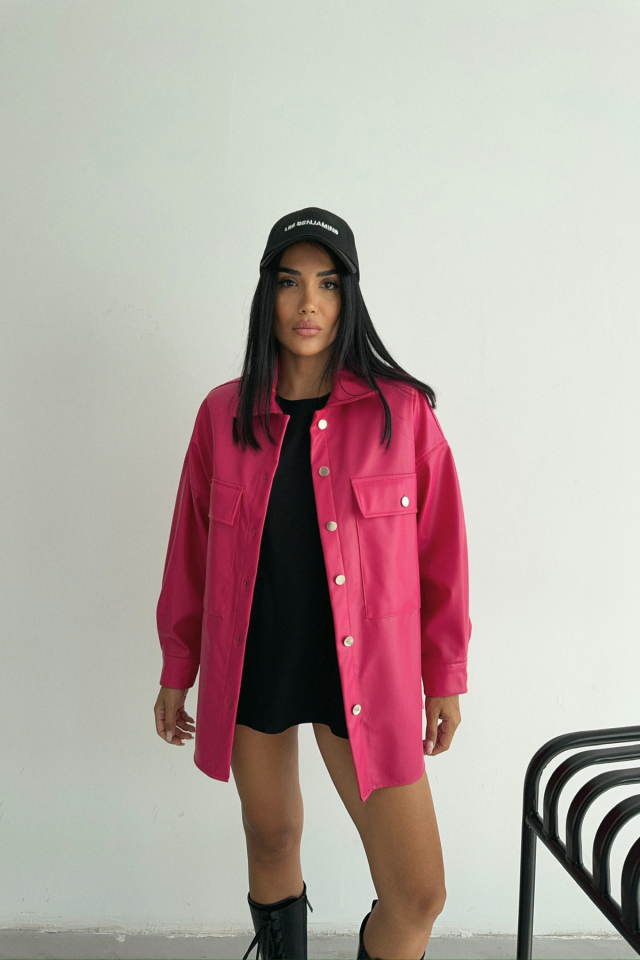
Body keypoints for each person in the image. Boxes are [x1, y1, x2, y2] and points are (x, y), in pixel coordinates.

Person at [153, 207, 472, 960]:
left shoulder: (401, 413)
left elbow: (443, 554)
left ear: (348, 297)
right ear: (267, 294)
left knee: (418, 894)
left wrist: (444, 676)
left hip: (365, 672)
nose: (308, 303)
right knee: (271, 837)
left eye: (327, 284)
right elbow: (189, 553)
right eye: (290, 282)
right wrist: (177, 668)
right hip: (254, 659)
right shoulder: (222, 414)